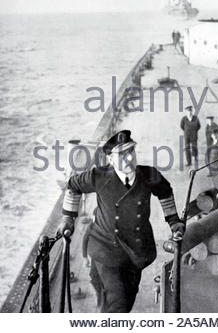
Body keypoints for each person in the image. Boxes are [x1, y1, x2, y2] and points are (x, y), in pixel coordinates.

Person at [57, 130, 184, 313]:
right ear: (110, 159)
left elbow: (165, 192)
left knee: (128, 298)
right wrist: (68, 218)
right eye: (121, 155)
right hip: (106, 250)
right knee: (119, 304)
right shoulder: (98, 177)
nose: (127, 159)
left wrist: (173, 221)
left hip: (137, 253)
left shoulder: (149, 175)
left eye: (130, 152)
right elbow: (73, 186)